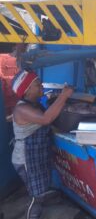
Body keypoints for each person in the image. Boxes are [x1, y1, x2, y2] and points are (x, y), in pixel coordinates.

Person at [11, 70, 73, 219]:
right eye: (38, 85)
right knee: (35, 195)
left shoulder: (35, 105)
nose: (42, 88)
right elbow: (46, 119)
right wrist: (64, 95)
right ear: (26, 90)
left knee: (41, 187)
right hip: (26, 159)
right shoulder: (21, 109)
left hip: (36, 155)